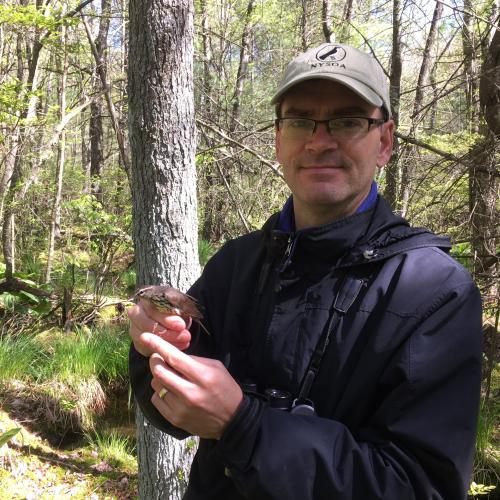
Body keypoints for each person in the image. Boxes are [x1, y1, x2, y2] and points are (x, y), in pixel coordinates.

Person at [128, 42, 483, 499]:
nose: (319, 141)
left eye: (348, 120)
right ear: (278, 140)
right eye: (299, 121)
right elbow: (168, 414)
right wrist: (158, 349)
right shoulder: (236, 264)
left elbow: (422, 486)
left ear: (385, 141)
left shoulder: (435, 291)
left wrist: (245, 427)